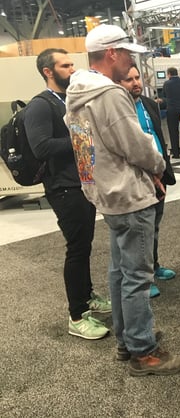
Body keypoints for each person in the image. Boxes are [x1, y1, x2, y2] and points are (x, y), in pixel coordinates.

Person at [65, 24, 180, 376]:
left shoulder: (77, 93)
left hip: (106, 193)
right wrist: (159, 167)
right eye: (129, 53)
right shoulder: (109, 94)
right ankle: (143, 351)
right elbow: (136, 146)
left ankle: (128, 339)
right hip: (130, 194)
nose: (132, 61)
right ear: (112, 54)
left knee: (120, 274)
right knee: (136, 277)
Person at [23, 48, 111, 340]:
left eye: (73, 64)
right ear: (48, 71)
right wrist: (82, 137)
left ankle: (87, 296)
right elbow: (41, 147)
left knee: (84, 245)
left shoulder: (69, 100)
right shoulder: (40, 105)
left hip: (82, 182)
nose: (72, 69)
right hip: (63, 188)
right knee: (76, 248)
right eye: (65, 65)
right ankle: (76, 315)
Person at [119, 64, 177, 299]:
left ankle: (153, 267)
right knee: (138, 230)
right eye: (128, 79)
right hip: (135, 177)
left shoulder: (149, 104)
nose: (135, 83)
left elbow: (157, 136)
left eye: (137, 78)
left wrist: (163, 169)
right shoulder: (119, 110)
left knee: (153, 226)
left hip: (158, 173)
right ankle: (142, 278)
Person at [162, 67, 180, 159]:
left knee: (173, 132)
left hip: (172, 110)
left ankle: (176, 154)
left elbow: (164, 96)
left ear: (169, 74)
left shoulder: (167, 84)